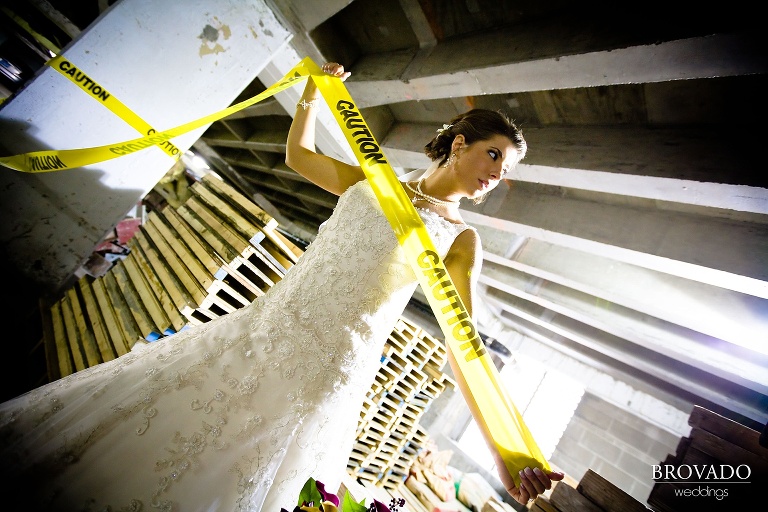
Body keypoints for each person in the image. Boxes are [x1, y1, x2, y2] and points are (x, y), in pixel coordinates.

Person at [0, 62, 563, 511]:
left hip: (327, 368)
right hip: (263, 326)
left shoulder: (460, 242)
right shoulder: (377, 181)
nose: (496, 174)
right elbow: (299, 157)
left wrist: (505, 452)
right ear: (460, 143)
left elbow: (462, 348)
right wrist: (312, 98)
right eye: (494, 155)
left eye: (504, 170)